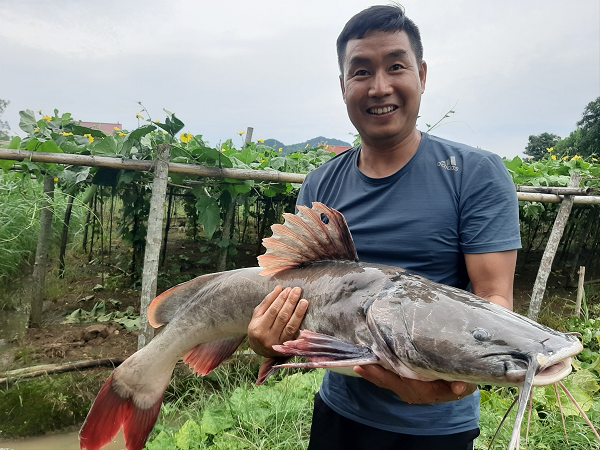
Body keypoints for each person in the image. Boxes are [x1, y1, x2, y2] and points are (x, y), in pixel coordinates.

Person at [248, 5, 521, 450]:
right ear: (343, 87)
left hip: (436, 425)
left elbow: (493, 302)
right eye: (361, 71)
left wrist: (457, 381)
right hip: (339, 413)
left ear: (422, 75)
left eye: (396, 66)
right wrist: (270, 342)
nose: (380, 87)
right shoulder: (320, 184)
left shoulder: (476, 174)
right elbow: (295, 300)